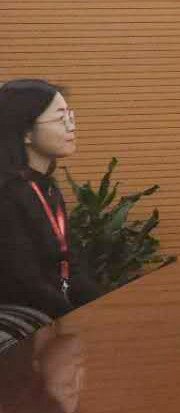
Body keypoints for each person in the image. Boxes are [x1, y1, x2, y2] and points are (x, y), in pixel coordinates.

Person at [0, 80, 100, 319]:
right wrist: (75, 320)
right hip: (26, 321)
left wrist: (105, 308)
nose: (71, 127)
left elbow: (68, 264)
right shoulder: (7, 195)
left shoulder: (47, 189)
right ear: (26, 132)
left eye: (70, 116)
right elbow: (25, 281)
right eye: (60, 119)